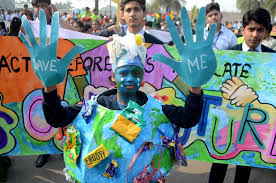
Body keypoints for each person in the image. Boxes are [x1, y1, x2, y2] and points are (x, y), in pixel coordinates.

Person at [208, 7, 275, 183]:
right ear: (243, 29)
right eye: (251, 29)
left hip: (254, 123)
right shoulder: (228, 55)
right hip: (225, 122)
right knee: (218, 163)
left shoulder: (272, 58)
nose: (254, 34)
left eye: (260, 30)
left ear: (267, 33)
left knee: (244, 164)